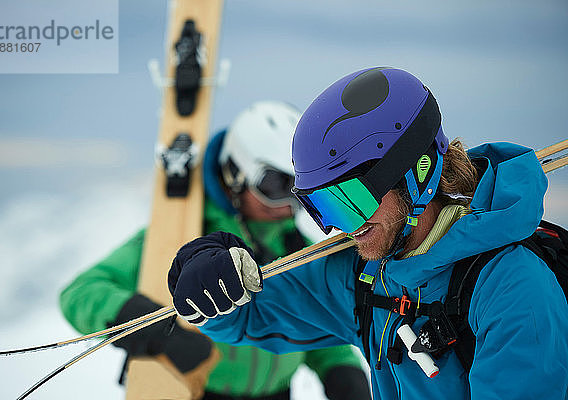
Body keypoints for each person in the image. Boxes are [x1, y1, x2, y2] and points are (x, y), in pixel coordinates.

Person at [167, 68, 568, 399]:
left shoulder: (511, 287)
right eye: (322, 207)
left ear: (420, 172)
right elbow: (250, 312)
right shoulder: (368, 277)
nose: (342, 225)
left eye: (350, 200)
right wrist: (206, 271)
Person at [60, 101, 371, 400]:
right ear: (236, 175)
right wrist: (158, 333)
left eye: (299, 188)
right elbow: (81, 293)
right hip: (196, 391)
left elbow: (312, 318)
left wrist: (343, 375)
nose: (289, 205)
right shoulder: (180, 237)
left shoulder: (295, 246)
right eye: (275, 185)